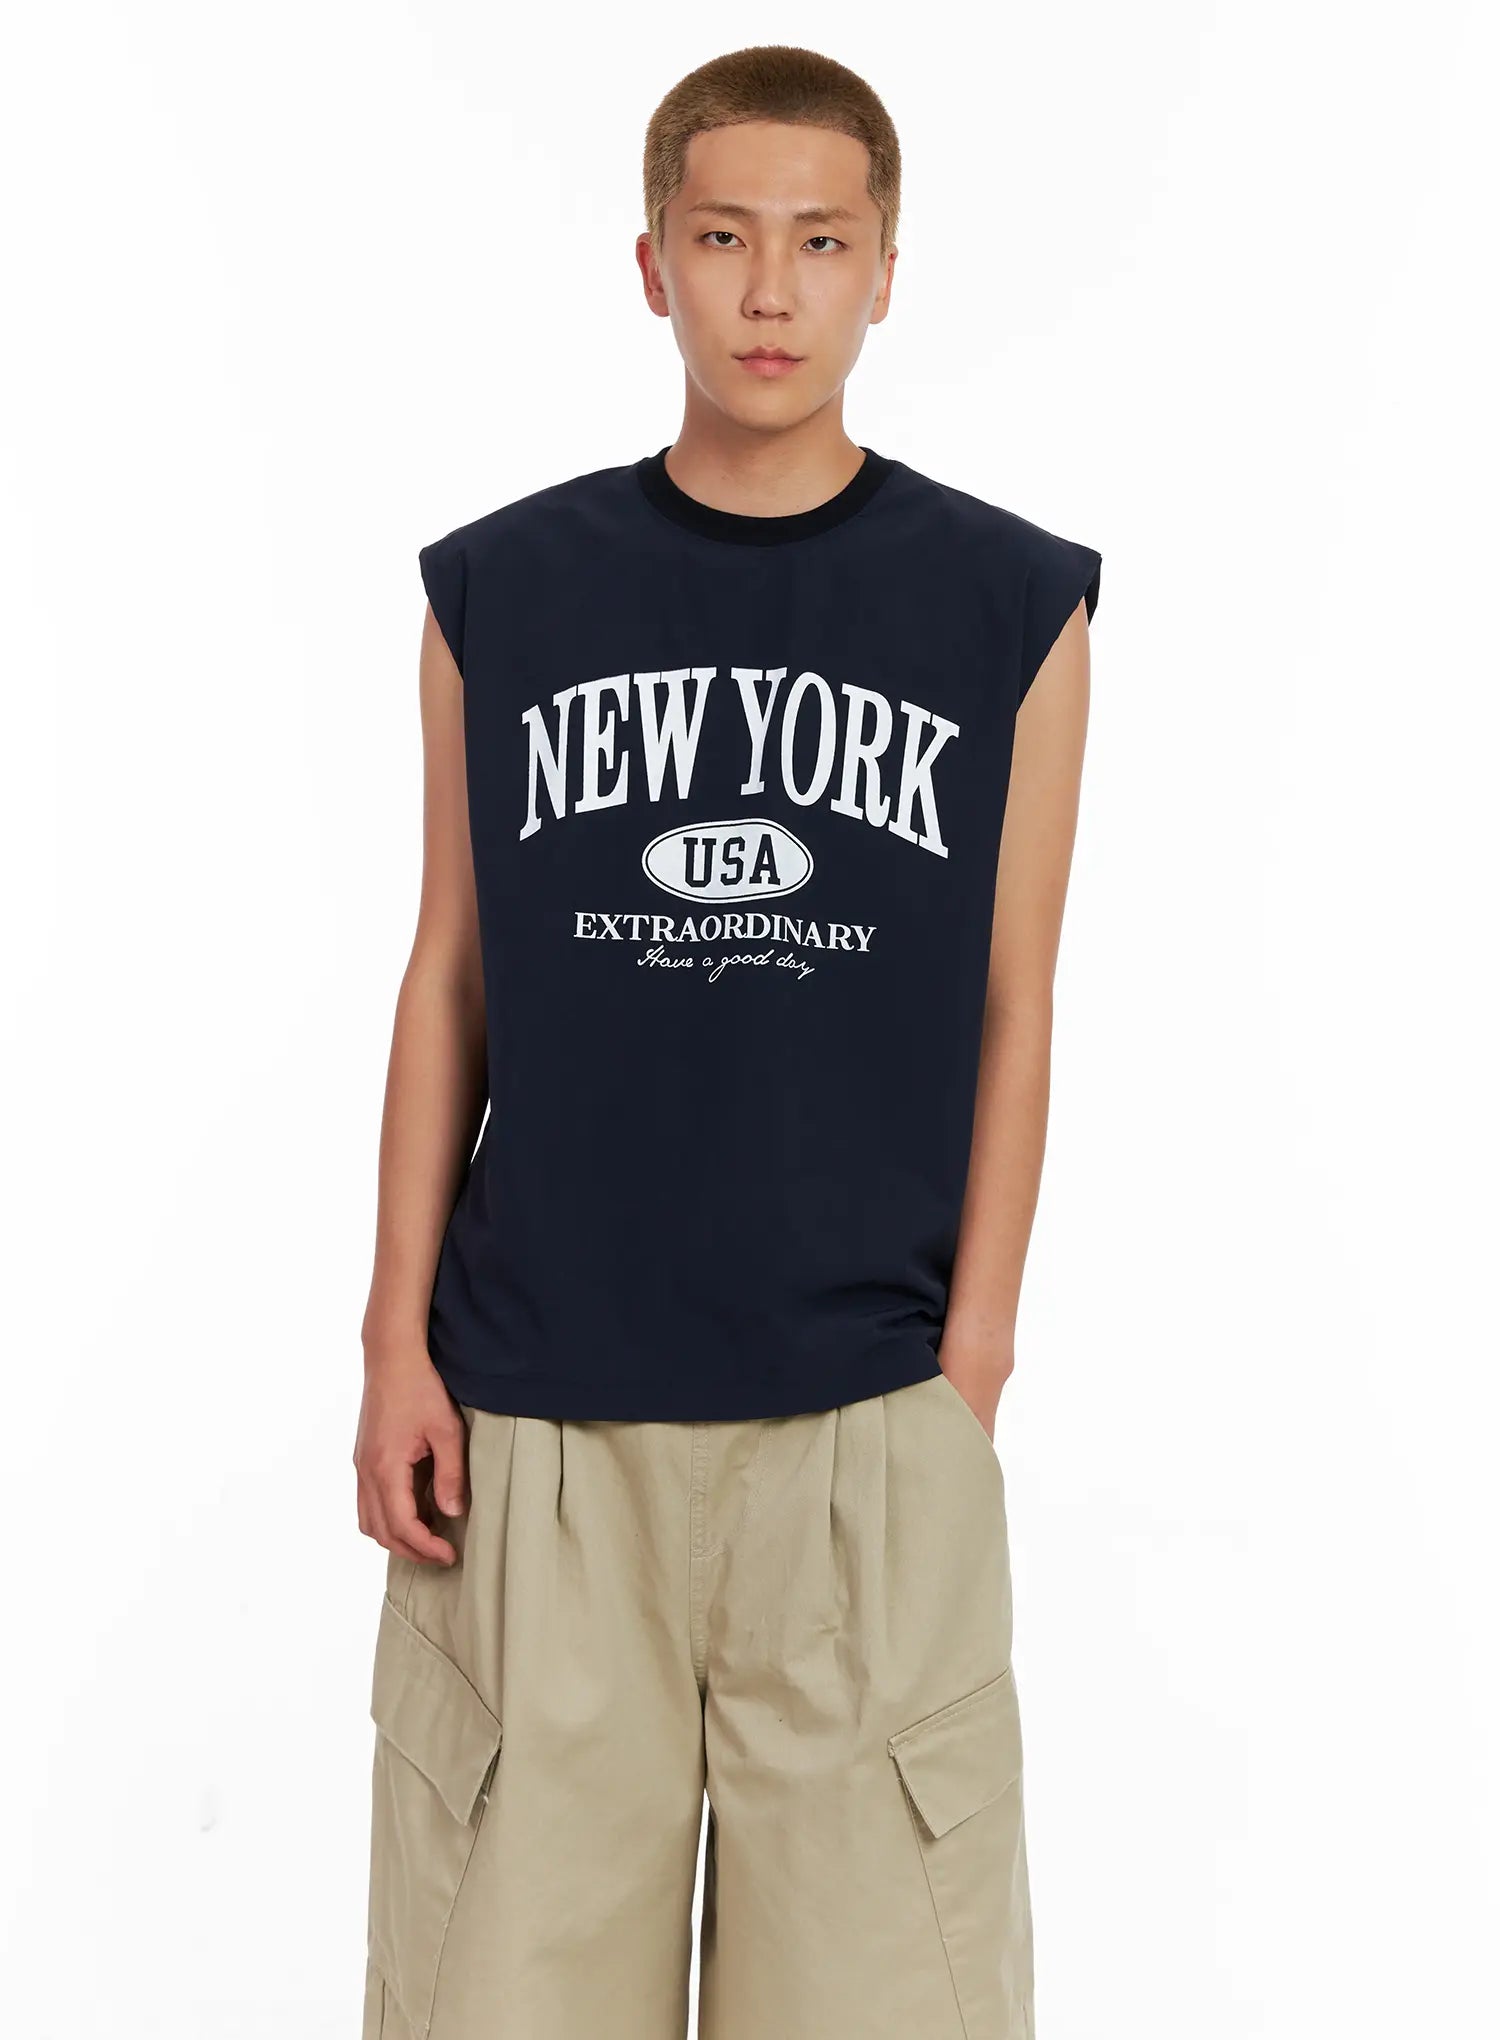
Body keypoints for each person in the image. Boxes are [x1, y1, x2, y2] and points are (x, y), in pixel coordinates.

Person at [353, 41, 1100, 2040]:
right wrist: (394, 1341)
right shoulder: (503, 595)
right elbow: (450, 974)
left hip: (866, 1428)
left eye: (821, 242)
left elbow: (1020, 1001)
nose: (771, 290)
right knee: (493, 2000)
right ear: (651, 264)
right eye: (723, 237)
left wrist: (969, 1363)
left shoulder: (1011, 609)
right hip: (537, 1431)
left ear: (886, 271)